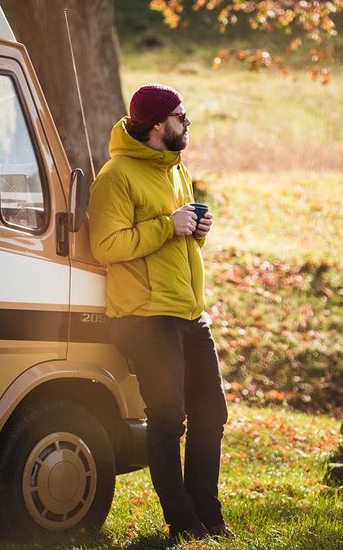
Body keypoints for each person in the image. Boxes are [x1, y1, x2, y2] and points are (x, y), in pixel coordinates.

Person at [87, 84, 232, 541]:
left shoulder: (175, 168)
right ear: (156, 125)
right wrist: (167, 227)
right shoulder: (115, 176)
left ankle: (209, 517)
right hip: (145, 318)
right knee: (169, 419)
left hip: (189, 313)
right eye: (180, 115)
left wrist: (197, 230)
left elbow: (179, 240)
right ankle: (183, 523)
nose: (187, 122)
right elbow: (105, 246)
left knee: (212, 416)